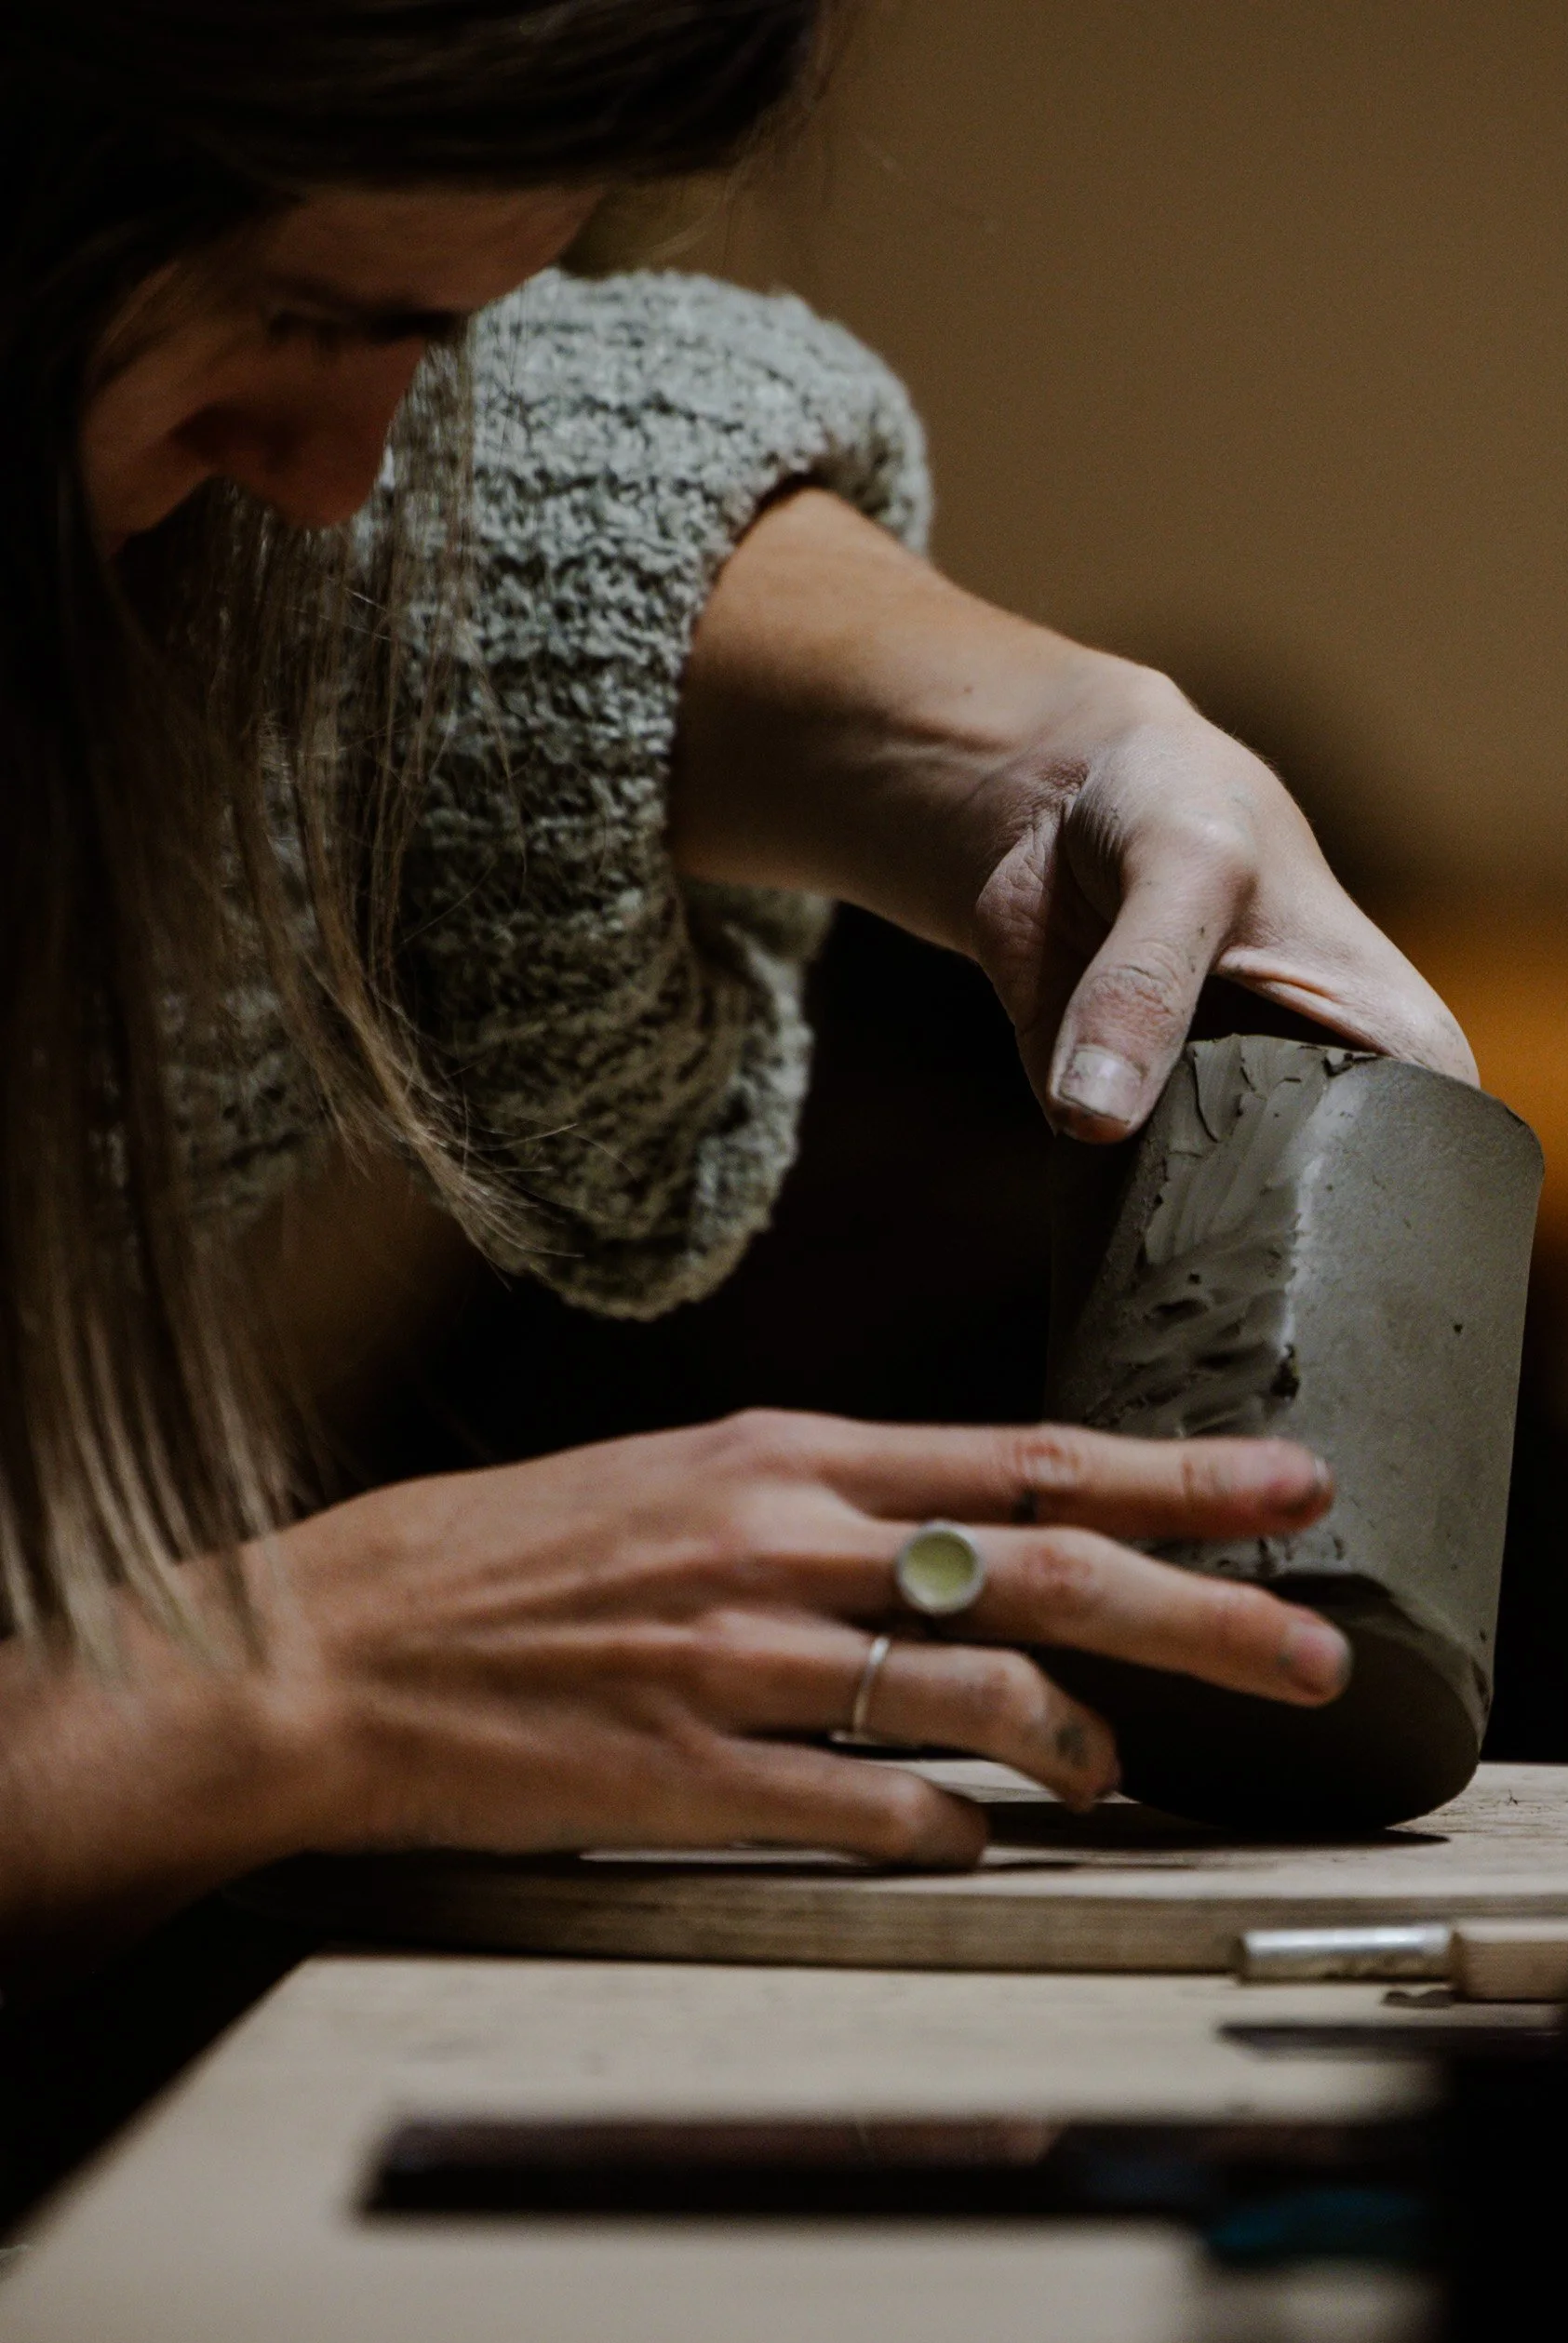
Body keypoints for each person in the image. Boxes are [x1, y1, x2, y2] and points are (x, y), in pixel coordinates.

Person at [0, 3, 1472, 1975]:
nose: (347, 479)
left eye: (437, 343)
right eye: (296, 316)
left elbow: (455, 541)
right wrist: (274, 1685)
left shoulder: (247, 477)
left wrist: (1027, 749)